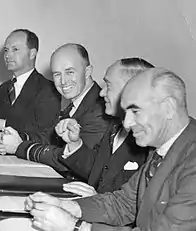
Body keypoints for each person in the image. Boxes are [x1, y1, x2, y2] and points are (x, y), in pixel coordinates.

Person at [25, 68, 196, 230]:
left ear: (169, 108)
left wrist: (76, 227)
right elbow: (124, 203)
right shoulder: (163, 147)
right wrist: (66, 206)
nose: (127, 123)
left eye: (135, 111)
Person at [0, 43, 110, 172]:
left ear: (87, 71)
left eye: (70, 72)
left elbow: (72, 160)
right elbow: (50, 137)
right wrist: (16, 137)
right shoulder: (77, 104)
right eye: (57, 74)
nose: (63, 81)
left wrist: (19, 147)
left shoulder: (101, 109)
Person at [58, 58, 153, 197]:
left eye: (108, 85)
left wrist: (96, 200)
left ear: (130, 89)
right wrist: (75, 144)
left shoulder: (148, 140)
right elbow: (100, 172)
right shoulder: (115, 126)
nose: (102, 93)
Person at [0, 29, 60, 133]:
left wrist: (1, 124)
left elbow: (44, 130)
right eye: (6, 50)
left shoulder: (48, 89)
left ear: (32, 53)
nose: (8, 55)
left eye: (15, 49)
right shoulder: (4, 88)